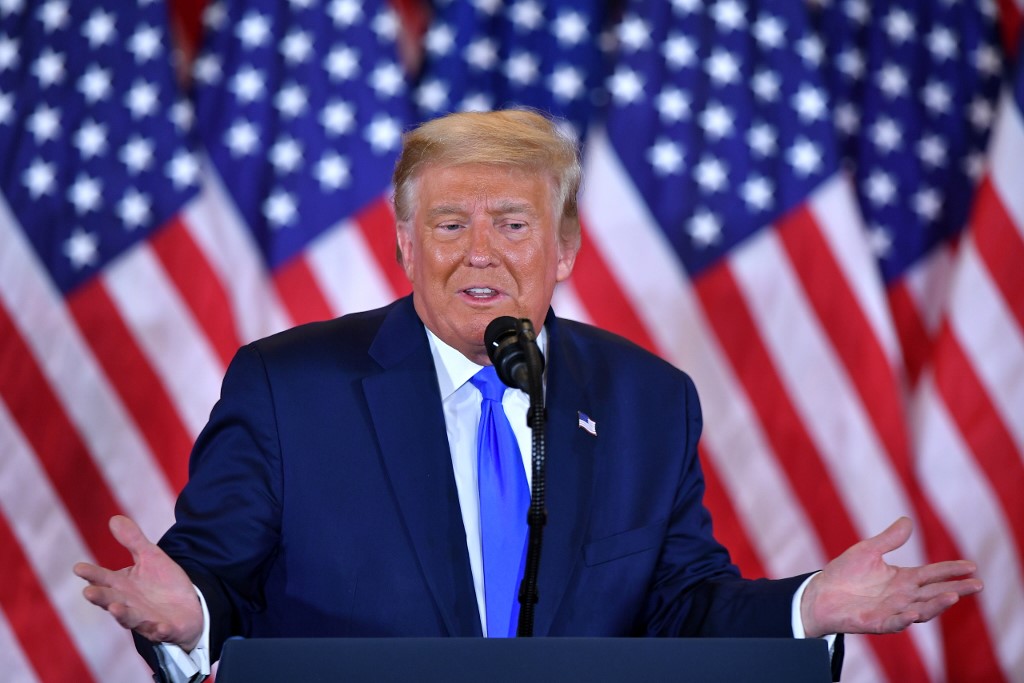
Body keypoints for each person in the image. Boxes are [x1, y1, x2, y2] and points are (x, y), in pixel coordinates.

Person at [74, 109, 982, 682]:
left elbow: (680, 605)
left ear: (565, 250)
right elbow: (215, 577)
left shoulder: (646, 399)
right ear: (403, 243)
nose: (480, 252)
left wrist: (807, 605)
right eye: (448, 223)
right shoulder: (288, 384)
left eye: (512, 224)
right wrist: (188, 612)